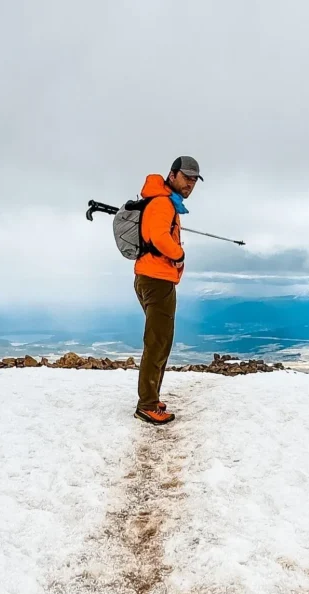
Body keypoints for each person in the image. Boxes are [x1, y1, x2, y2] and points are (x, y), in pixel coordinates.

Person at [133, 156, 201, 425]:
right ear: (172, 175)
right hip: (157, 279)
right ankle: (147, 405)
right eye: (186, 177)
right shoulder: (162, 203)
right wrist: (179, 254)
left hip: (149, 277)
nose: (190, 184)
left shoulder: (161, 200)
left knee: (159, 341)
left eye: (194, 180)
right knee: (158, 343)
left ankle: (152, 397)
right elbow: (159, 237)